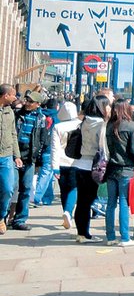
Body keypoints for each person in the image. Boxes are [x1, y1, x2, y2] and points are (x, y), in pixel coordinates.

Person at [9, 89, 52, 230]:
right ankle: (4, 217)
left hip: (29, 158)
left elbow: (43, 140)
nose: (27, 103)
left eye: (31, 101)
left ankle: (20, 219)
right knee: (9, 187)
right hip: (14, 155)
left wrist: (37, 159)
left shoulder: (41, 119)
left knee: (26, 189)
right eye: (27, 100)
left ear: (38, 104)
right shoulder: (16, 115)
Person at [72, 95, 110, 243]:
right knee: (89, 200)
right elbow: (104, 148)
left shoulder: (85, 121)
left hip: (80, 163)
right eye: (107, 105)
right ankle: (84, 234)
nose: (109, 108)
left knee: (82, 201)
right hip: (94, 166)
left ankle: (81, 233)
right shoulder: (101, 124)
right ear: (102, 107)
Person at [104, 99, 134, 245]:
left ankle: (110, 237)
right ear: (126, 109)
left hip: (111, 169)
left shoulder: (109, 125)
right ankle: (125, 237)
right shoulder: (131, 126)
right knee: (124, 202)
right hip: (126, 169)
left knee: (110, 203)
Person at [54, 100, 81, 230]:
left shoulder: (57, 127)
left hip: (61, 162)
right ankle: (68, 212)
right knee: (73, 188)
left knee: (64, 189)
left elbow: (55, 148)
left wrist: (54, 166)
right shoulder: (80, 125)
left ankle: (66, 212)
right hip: (76, 161)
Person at [0, 83, 23, 233]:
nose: (15, 97)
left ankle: (1, 216)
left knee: (8, 189)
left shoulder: (10, 112)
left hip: (6, 156)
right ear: (5, 95)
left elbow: (13, 134)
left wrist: (17, 155)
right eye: (13, 94)